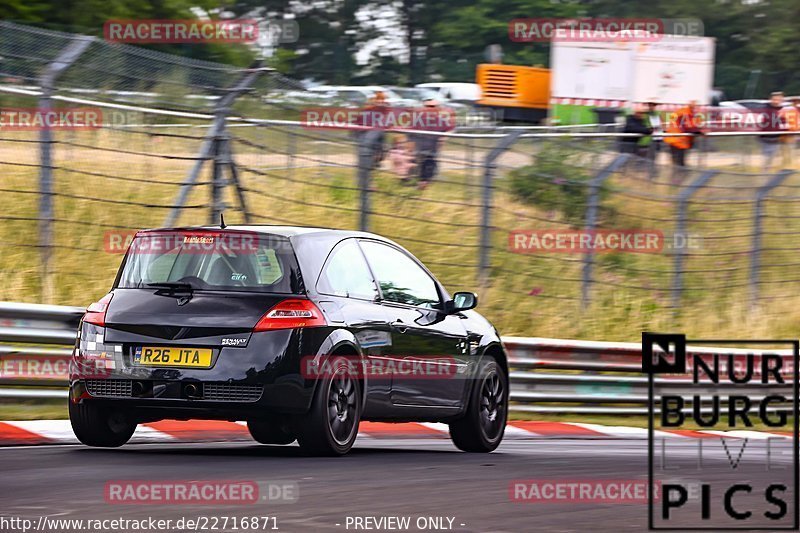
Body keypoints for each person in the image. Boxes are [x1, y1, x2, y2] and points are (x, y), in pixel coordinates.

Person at [664, 100, 703, 183]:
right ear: (693, 107)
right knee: (680, 165)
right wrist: (699, 132)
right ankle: (676, 182)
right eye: (696, 107)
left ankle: (674, 181)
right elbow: (689, 126)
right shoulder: (686, 113)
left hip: (674, 140)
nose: (697, 109)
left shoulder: (682, 112)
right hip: (678, 141)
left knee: (677, 163)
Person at [411, 98, 442, 190]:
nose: (430, 108)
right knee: (419, 164)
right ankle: (421, 182)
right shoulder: (418, 119)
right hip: (420, 147)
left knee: (429, 163)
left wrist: (444, 137)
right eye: (427, 106)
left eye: (433, 106)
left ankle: (423, 182)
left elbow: (450, 128)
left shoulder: (440, 120)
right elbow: (410, 131)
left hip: (432, 148)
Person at [760, 91, 785, 171]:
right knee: (767, 154)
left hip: (777, 137)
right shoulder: (765, 109)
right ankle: (764, 170)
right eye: (774, 99)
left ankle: (767, 169)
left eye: (778, 100)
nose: (776, 102)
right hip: (765, 136)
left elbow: (784, 122)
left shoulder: (783, 110)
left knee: (772, 154)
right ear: (771, 99)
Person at [779, 97, 800, 168]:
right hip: (788, 135)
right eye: (795, 102)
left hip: (794, 134)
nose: (797, 103)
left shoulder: (796, 111)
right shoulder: (787, 110)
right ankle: (787, 167)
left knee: (792, 152)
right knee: (787, 151)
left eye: (798, 102)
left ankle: (790, 167)